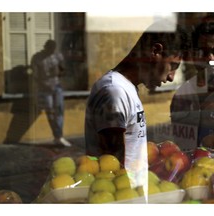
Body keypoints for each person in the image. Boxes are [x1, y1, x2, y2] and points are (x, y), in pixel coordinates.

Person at [84, 19, 189, 192]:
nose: (171, 77)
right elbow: (112, 167)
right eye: (173, 66)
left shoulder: (125, 88)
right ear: (156, 51)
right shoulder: (115, 91)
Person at [170, 14, 214, 149]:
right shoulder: (182, 96)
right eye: (202, 51)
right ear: (192, 55)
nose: (210, 58)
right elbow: (180, 147)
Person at [31, 39, 72, 147]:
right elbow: (34, 74)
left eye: (53, 49)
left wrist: (59, 72)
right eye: (50, 49)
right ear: (45, 47)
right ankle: (57, 135)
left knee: (59, 110)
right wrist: (43, 80)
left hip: (57, 86)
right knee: (50, 112)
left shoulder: (57, 56)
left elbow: (64, 70)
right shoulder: (37, 57)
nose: (51, 52)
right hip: (44, 88)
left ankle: (58, 136)